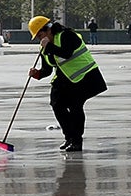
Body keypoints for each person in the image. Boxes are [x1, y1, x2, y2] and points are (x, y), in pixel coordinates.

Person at [27, 15, 106, 153]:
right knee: (57, 104)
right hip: (67, 78)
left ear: (49, 30)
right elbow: (47, 69)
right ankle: (69, 137)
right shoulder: (46, 47)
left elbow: (67, 53)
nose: (40, 39)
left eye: (41, 35)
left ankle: (76, 141)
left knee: (75, 105)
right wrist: (37, 74)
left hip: (87, 76)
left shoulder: (67, 35)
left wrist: (49, 46)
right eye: (38, 37)